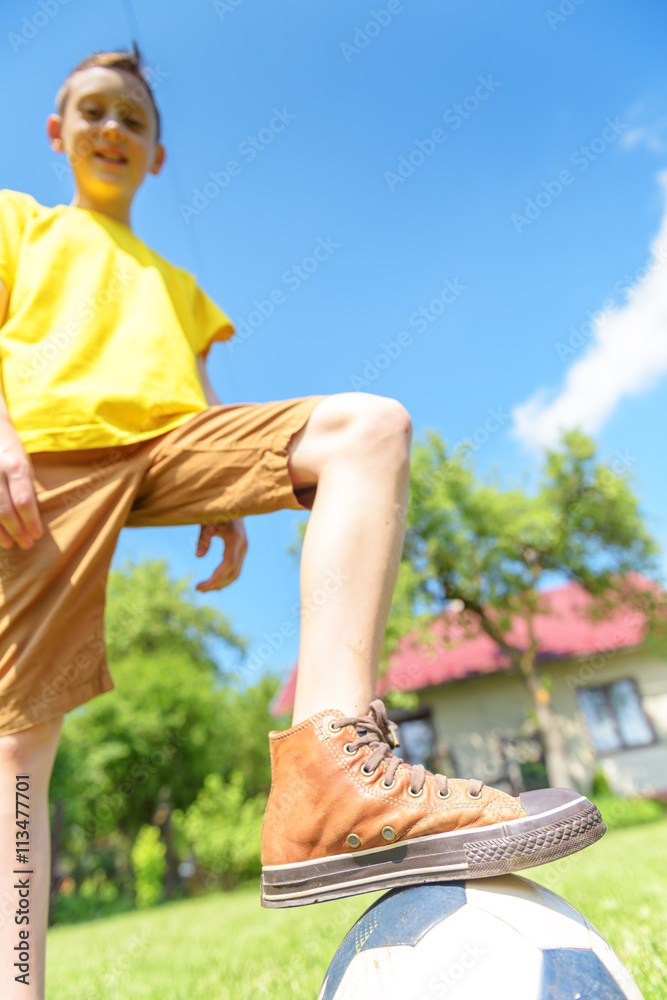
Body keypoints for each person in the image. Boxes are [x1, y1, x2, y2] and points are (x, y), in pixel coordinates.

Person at [0, 43, 605, 998]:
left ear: (157, 152)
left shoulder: (177, 287)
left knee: (366, 430)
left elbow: (195, 405)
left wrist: (229, 501)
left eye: (133, 119)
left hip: (164, 449)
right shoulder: (20, 226)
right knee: (23, 742)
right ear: (56, 132)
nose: (111, 129)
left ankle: (329, 769)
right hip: (44, 456)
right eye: (94, 111)